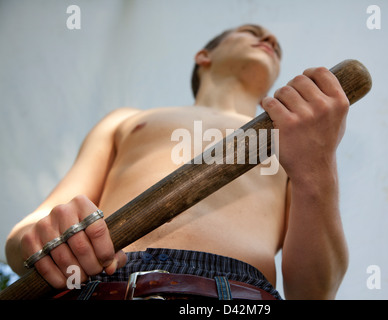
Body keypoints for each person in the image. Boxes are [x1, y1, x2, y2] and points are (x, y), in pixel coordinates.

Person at [5, 24, 350, 300]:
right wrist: (41, 240)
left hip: (242, 295)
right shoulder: (126, 120)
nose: (269, 38)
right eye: (251, 32)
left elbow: (314, 293)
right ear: (204, 55)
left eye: (274, 42)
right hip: (102, 282)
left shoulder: (291, 143)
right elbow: (25, 236)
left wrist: (318, 169)